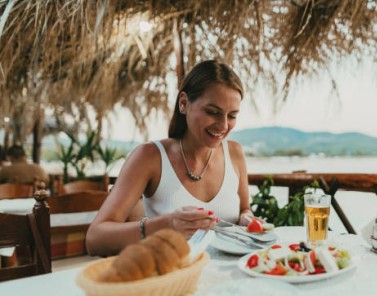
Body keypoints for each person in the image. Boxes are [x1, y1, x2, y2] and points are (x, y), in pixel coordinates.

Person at [86, 60, 262, 256]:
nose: (223, 126)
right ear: (184, 103)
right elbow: (95, 239)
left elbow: (244, 210)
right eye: (213, 112)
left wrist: (247, 218)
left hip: (230, 278)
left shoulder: (235, 153)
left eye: (232, 116)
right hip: (171, 280)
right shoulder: (149, 157)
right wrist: (166, 225)